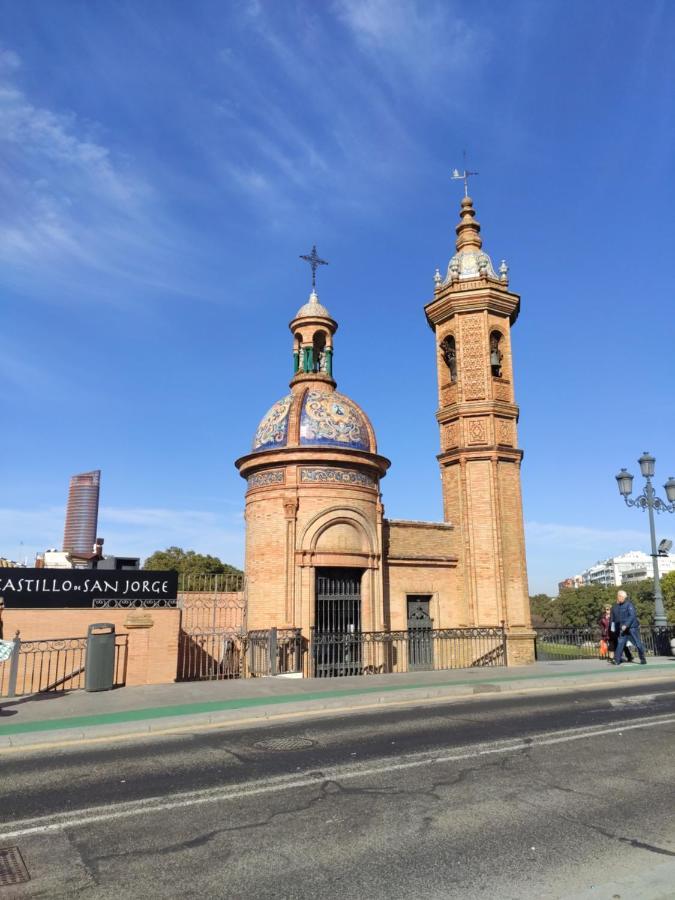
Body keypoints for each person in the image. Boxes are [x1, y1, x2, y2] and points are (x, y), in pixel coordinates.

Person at [611, 590, 646, 665]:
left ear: (622, 597)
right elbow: (618, 618)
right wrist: (617, 626)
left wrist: (626, 625)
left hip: (632, 628)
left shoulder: (629, 605)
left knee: (637, 643)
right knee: (620, 643)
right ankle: (617, 660)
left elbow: (632, 616)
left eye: (618, 596)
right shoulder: (619, 606)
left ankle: (642, 658)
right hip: (623, 629)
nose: (617, 598)